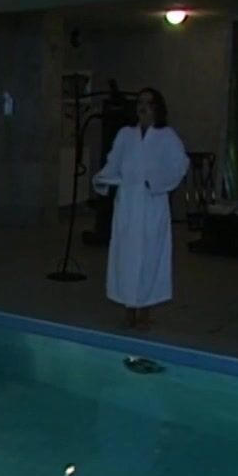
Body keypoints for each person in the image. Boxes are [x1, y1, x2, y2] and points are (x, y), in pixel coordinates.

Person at [91, 87, 189, 330]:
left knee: (150, 257)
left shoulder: (166, 136)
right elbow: (113, 163)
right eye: (140, 103)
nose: (143, 107)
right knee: (126, 256)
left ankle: (145, 311)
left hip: (151, 203)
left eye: (148, 103)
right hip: (128, 204)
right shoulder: (125, 135)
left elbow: (180, 165)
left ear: (157, 108)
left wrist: (155, 181)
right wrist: (103, 178)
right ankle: (129, 310)